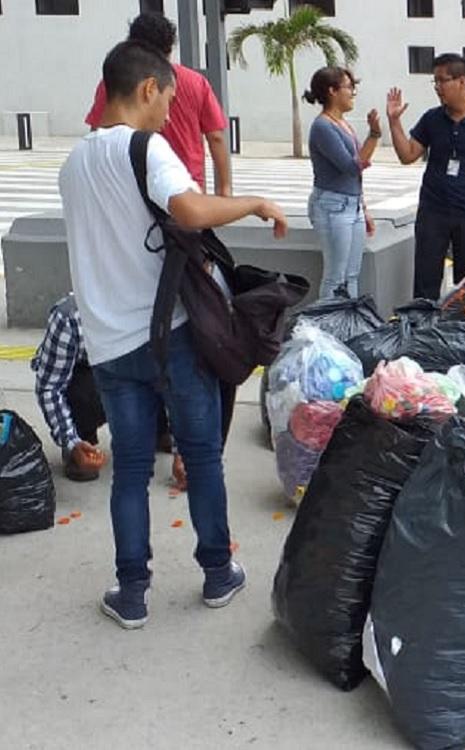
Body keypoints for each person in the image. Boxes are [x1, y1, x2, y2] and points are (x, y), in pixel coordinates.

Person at [60, 40, 287, 629]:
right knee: (202, 457)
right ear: (146, 89)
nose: (167, 113)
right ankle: (218, 573)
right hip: (171, 337)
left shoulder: (72, 164)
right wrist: (254, 203)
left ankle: (132, 591)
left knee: (132, 469)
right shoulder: (144, 147)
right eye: (166, 98)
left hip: (108, 345)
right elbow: (188, 210)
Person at [386, 54, 465, 301]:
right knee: (425, 282)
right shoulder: (432, 119)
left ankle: (461, 324)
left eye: (442, 80)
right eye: (435, 81)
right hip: (433, 212)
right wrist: (394, 122)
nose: (437, 87)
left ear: (462, 81)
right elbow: (408, 155)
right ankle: (422, 323)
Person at [32, 294, 180, 483]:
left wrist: (185, 450)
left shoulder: (158, 307)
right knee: (81, 386)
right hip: (93, 378)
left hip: (144, 370)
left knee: (162, 367)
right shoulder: (69, 316)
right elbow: (50, 388)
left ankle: (160, 428)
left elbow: (182, 380)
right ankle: (82, 440)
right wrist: (71, 441)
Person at [85, 12, 230, 197]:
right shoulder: (196, 82)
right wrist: (224, 189)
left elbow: (98, 132)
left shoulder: (114, 83)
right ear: (169, 49)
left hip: (129, 186)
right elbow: (216, 137)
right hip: (186, 187)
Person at [303, 67, 378, 299]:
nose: (353, 93)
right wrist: (374, 135)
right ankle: (329, 319)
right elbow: (351, 166)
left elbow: (357, 171)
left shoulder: (342, 124)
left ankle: (348, 318)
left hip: (351, 205)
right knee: (335, 276)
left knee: (351, 275)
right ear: (332, 91)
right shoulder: (323, 127)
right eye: (349, 87)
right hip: (332, 206)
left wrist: (363, 207)